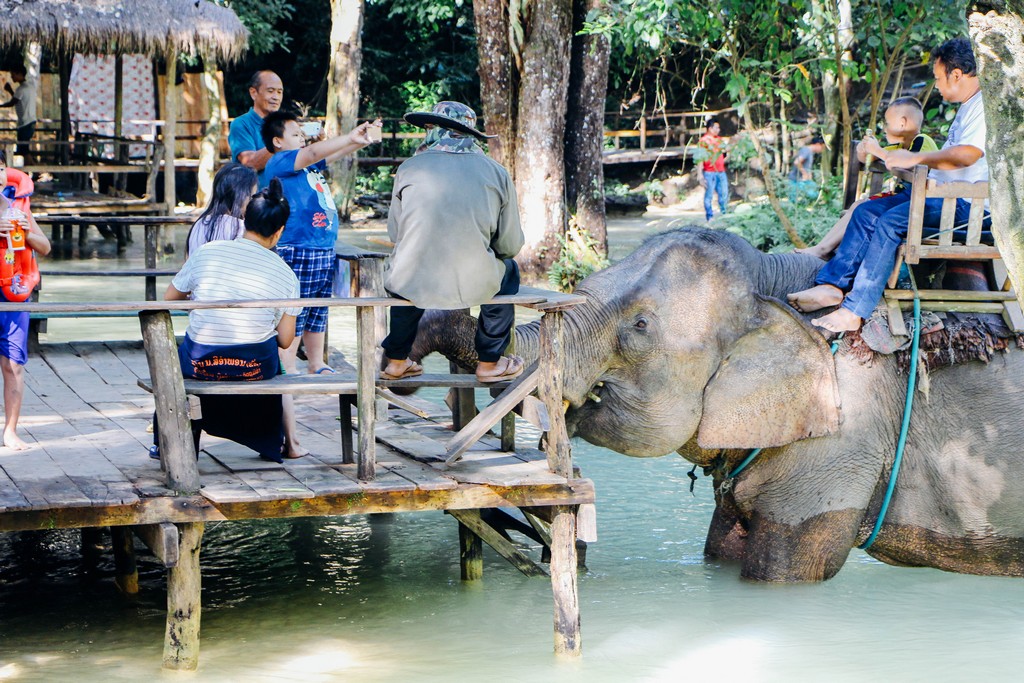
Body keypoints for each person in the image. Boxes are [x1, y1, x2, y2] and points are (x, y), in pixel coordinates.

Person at [788, 37, 987, 334]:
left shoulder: (983, 107)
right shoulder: (966, 107)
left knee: (891, 221)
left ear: (956, 74)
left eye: (938, 78)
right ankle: (832, 286)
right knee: (867, 211)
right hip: (938, 197)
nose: (937, 86)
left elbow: (966, 156)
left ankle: (855, 310)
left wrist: (914, 157)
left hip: (966, 207)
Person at [380, 101, 525, 384]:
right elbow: (509, 245)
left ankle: (396, 360)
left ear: (435, 130)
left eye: (429, 127)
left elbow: (396, 235)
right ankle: (489, 362)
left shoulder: (409, 168)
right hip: (474, 282)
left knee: (404, 270)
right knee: (509, 270)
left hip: (413, 280)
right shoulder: (496, 172)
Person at [159, 179, 303, 463]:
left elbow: (169, 299)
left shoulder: (208, 252)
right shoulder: (286, 275)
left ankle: (167, 441)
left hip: (199, 363)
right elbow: (286, 341)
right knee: (272, 359)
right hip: (254, 368)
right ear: (279, 232)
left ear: (244, 220)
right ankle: (271, 442)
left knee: (185, 353)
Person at [261, 110, 378, 375]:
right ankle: (287, 363)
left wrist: (356, 142)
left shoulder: (308, 166)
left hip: (322, 246)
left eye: (303, 134)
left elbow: (326, 155)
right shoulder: (280, 162)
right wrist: (348, 135)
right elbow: (315, 153)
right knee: (295, 309)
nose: (302, 138)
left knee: (318, 309)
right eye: (295, 134)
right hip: (297, 246)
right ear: (277, 141)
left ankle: (316, 362)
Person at [796, 97, 938, 259]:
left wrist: (877, 150)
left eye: (887, 123)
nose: (884, 128)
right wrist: (863, 149)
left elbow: (908, 163)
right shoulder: (899, 146)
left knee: (861, 208)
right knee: (857, 205)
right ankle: (824, 247)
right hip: (903, 199)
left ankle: (823, 249)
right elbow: (866, 159)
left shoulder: (922, 140)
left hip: (918, 204)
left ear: (902, 123)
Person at [0, 150, 51, 450]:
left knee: (13, 365)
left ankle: (10, 430)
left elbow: (44, 247)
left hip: (14, 291)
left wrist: (24, 231)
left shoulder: (19, 206)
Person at [186, 162, 258, 256]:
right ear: (241, 195)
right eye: (251, 196)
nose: (252, 201)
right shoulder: (241, 229)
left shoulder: (199, 224)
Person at [228, 70, 284, 188]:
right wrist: (283, 141)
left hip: (285, 199)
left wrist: (313, 143)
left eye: (279, 92)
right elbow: (250, 163)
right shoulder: (241, 124)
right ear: (253, 93)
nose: (276, 97)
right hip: (255, 201)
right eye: (270, 91)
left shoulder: (284, 125)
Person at [0, 65, 37, 159]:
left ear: (19, 74)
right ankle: (30, 169)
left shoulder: (21, 89)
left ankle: (35, 168)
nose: (12, 77)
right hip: (30, 121)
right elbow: (18, 101)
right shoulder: (29, 87)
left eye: (13, 75)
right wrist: (10, 91)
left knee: (24, 150)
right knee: (24, 149)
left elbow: (12, 103)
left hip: (25, 123)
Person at [698, 118, 728, 221]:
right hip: (709, 172)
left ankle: (725, 214)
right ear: (710, 128)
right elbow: (700, 158)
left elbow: (724, 153)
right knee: (709, 195)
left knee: (724, 193)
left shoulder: (719, 140)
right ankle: (709, 216)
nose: (718, 129)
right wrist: (700, 174)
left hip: (721, 171)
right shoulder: (704, 141)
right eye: (716, 127)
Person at [788, 135, 826, 203]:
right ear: (817, 144)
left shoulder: (810, 152)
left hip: (802, 180)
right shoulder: (806, 150)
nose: (822, 150)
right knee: (794, 201)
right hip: (796, 180)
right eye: (822, 147)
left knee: (815, 193)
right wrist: (804, 173)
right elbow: (797, 162)